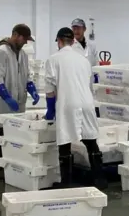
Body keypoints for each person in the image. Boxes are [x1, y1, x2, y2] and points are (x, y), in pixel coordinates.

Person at [45, 27, 107, 189]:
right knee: (90, 140)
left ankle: (66, 183)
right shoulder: (83, 60)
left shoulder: (53, 59)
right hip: (87, 103)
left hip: (67, 104)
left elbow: (50, 90)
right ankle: (99, 180)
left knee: (64, 142)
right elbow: (88, 83)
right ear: (73, 41)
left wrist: (50, 111)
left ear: (58, 41)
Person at [0, 24, 39, 179]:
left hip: (19, 101)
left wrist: (31, 88)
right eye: (24, 39)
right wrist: (7, 97)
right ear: (16, 35)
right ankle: (1, 168)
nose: (25, 42)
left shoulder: (23, 54)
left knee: (17, 134)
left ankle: (14, 164)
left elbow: (27, 76)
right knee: (3, 133)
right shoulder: (0, 53)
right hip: (4, 102)